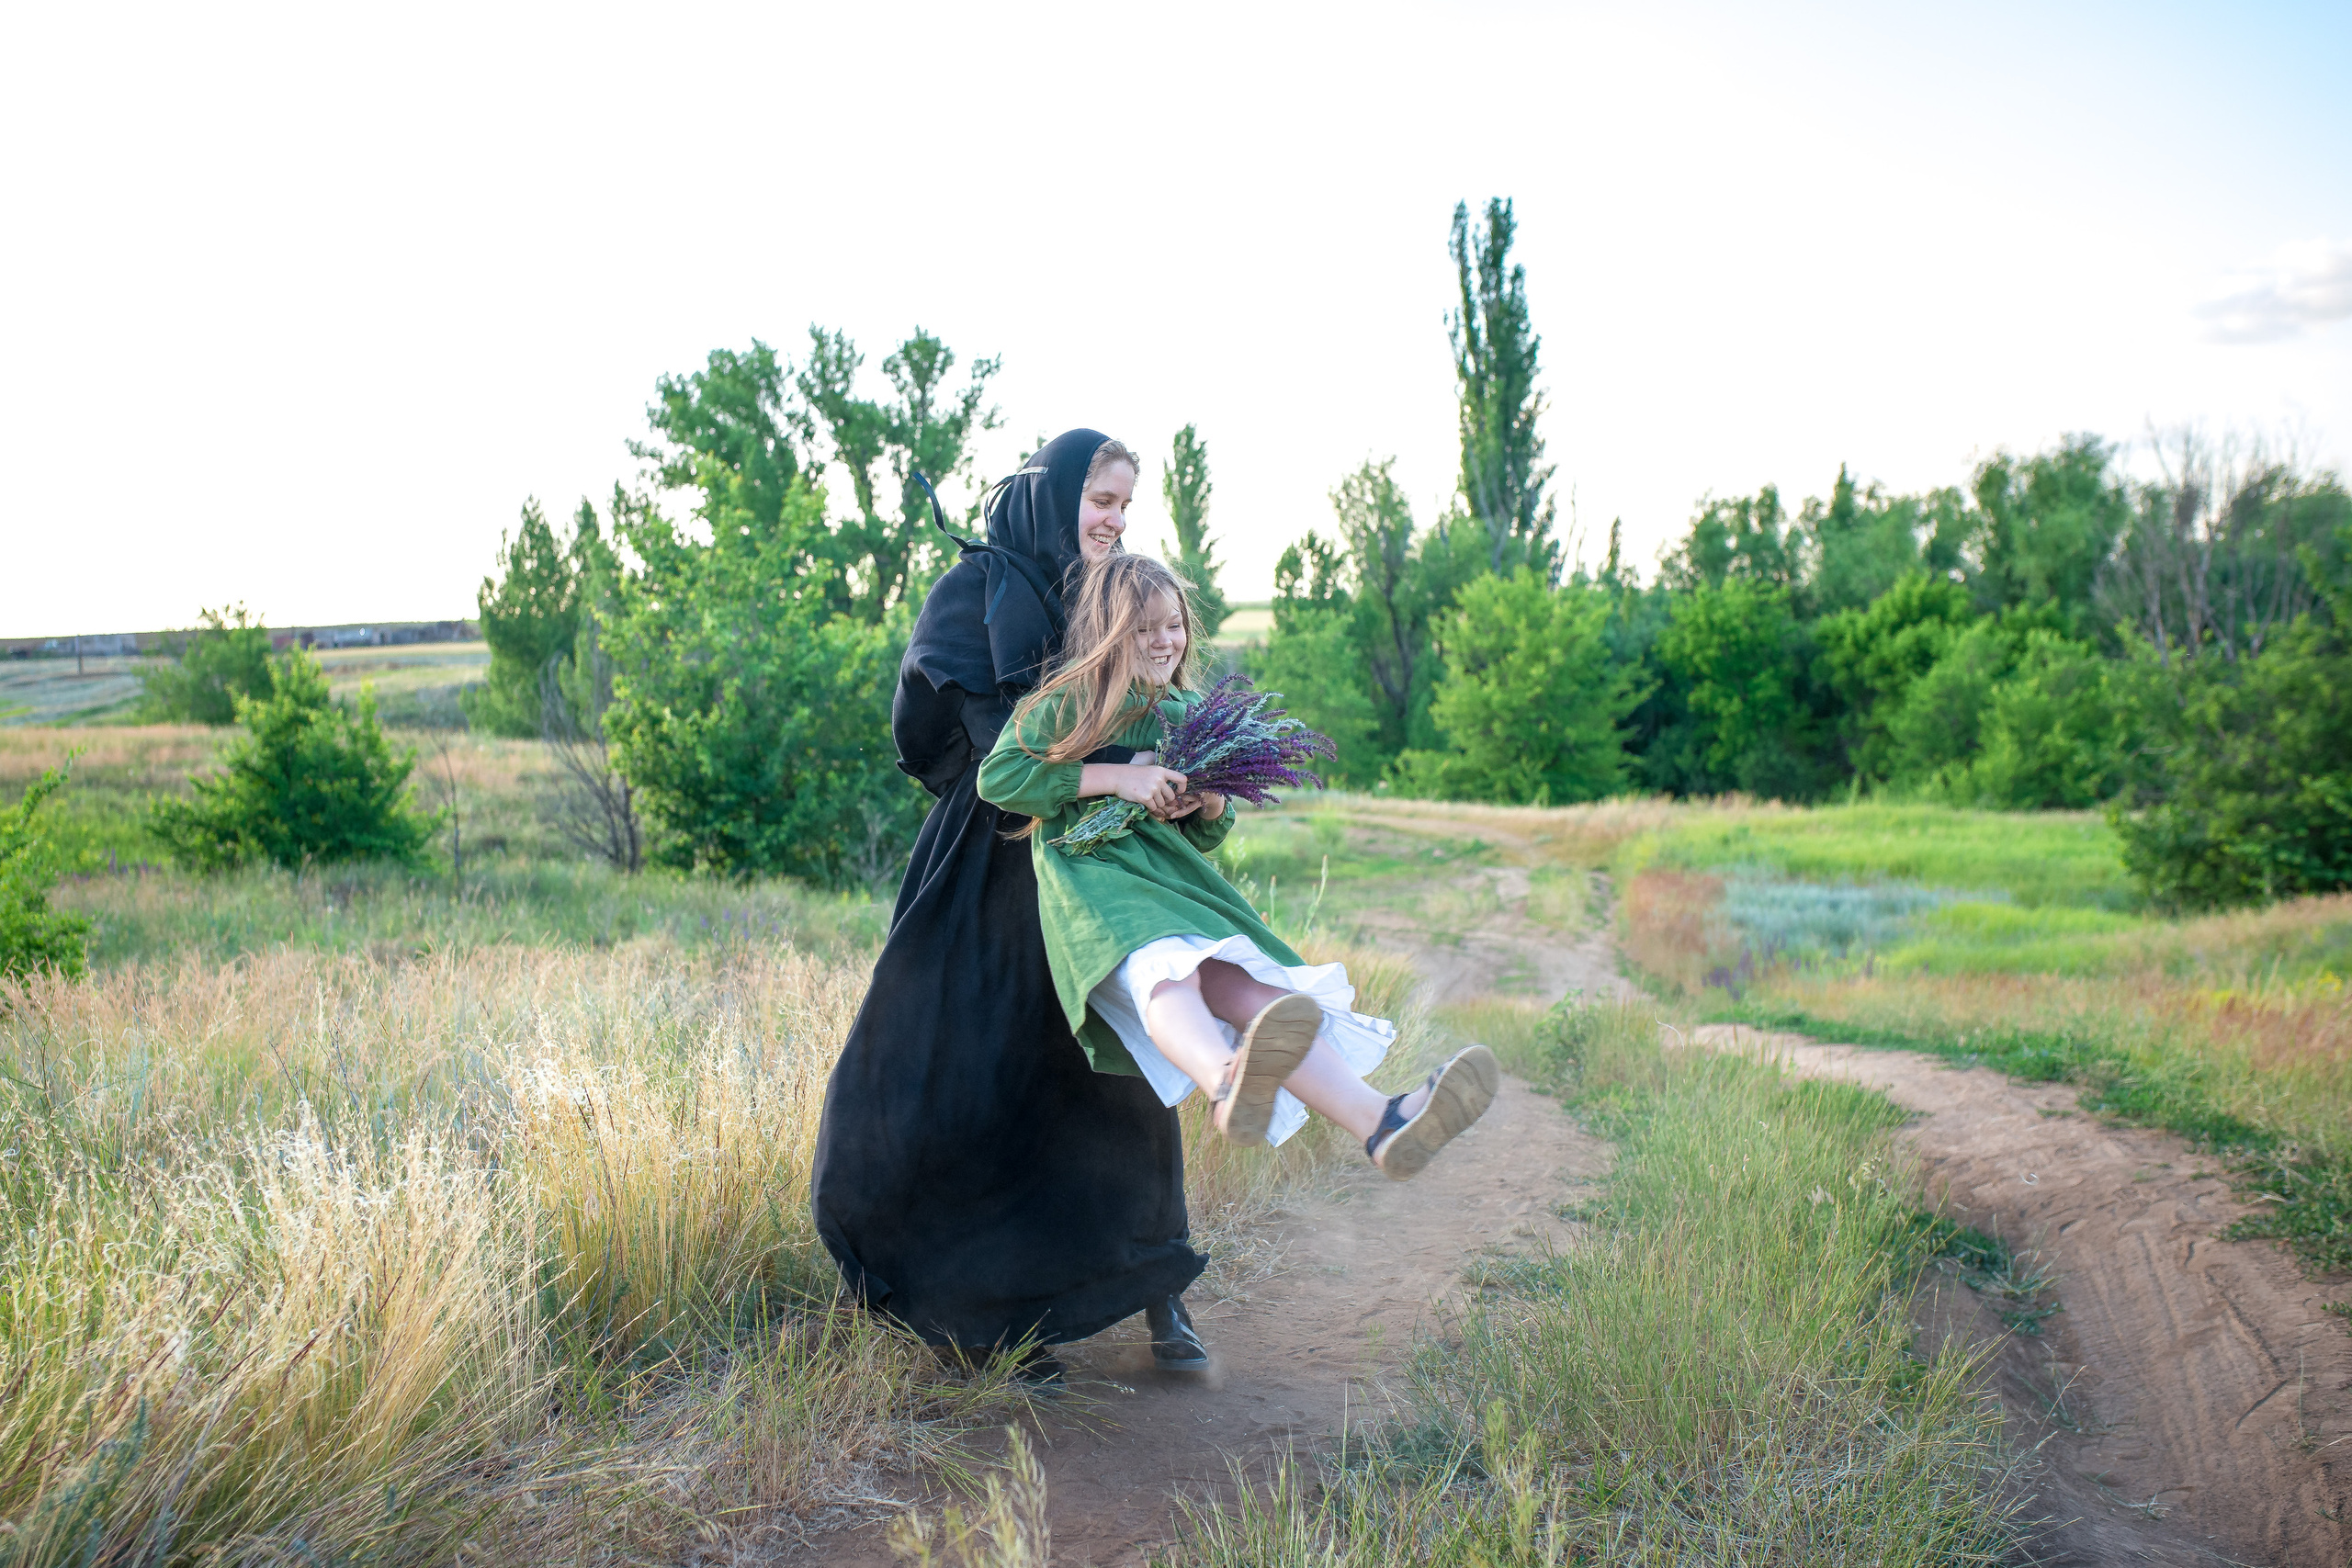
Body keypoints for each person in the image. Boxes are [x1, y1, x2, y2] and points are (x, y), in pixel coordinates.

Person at [811, 431, 1212, 1389]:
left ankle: (1159, 1288)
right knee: (966, 1075)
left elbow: (1156, 694)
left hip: (1096, 862)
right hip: (991, 862)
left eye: (1124, 505)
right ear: (1057, 493)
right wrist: (1103, 772)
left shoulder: (1112, 594)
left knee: (1115, 1070)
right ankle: (985, 1319)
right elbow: (964, 745)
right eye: (1102, 500)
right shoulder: (981, 590)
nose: (1115, 521)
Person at [976, 552, 1498, 1180]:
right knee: (1167, 975)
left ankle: (1382, 1121)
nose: (1164, 640)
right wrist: (1123, 779)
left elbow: (1209, 831)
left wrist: (1209, 798)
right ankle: (1227, 1082)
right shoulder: (1072, 702)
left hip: (1174, 883)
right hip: (1098, 886)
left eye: (1174, 624)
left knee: (1258, 994)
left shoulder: (1188, 710)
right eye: (1145, 628)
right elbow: (999, 777)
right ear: (1107, 631)